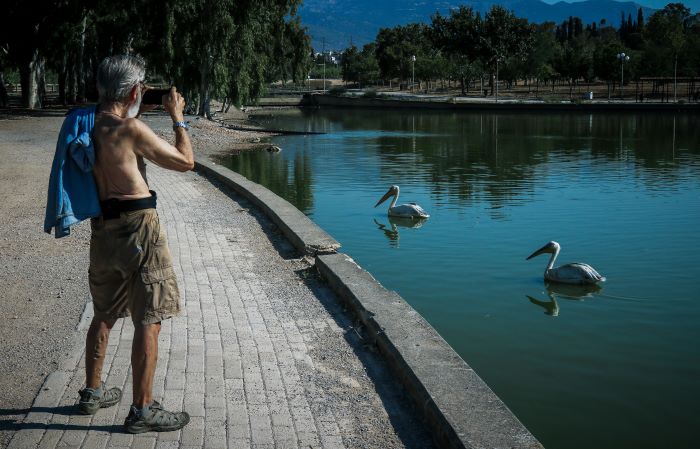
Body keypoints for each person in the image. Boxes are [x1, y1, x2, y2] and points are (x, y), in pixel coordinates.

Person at [77, 55, 194, 434]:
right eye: (141, 88)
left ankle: (92, 393)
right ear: (131, 91)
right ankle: (142, 410)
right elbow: (185, 162)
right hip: (139, 228)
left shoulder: (85, 124)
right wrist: (177, 117)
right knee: (150, 318)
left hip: (102, 229)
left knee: (104, 313)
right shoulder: (130, 129)